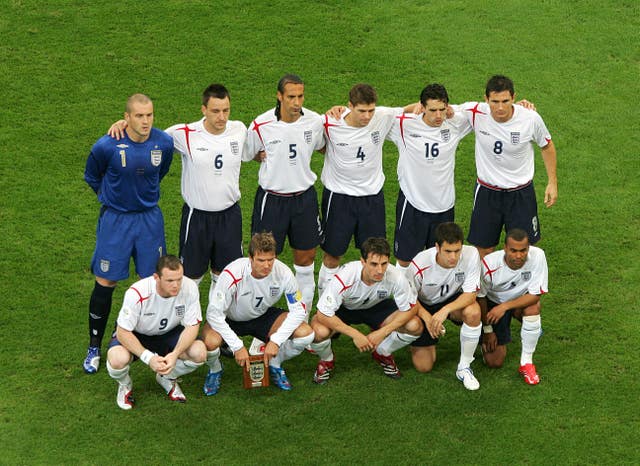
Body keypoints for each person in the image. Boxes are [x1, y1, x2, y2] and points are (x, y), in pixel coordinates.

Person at [108, 84, 247, 287]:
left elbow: (256, 148)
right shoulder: (185, 133)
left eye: (226, 110)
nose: (222, 117)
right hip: (197, 218)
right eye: (216, 111)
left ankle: (219, 318)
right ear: (203, 110)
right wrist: (125, 124)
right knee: (191, 278)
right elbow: (149, 137)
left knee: (227, 277)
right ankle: (188, 318)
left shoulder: (239, 129)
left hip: (230, 216)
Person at [83, 93, 174, 374]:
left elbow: (160, 172)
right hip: (116, 221)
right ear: (127, 117)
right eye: (139, 116)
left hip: (149, 221)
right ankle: (94, 346)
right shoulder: (106, 145)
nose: (145, 121)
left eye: (149, 115)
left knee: (151, 282)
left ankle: (143, 339)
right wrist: (111, 198)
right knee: (106, 280)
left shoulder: (163, 142)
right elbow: (92, 176)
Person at [243, 74, 325, 312]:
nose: (296, 102)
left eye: (300, 96)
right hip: (272, 201)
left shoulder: (314, 121)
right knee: (263, 262)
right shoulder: (261, 124)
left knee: (306, 261)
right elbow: (248, 153)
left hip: (304, 200)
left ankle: (301, 319)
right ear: (279, 97)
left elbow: (321, 146)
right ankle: (260, 323)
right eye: (291, 97)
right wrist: (261, 154)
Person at [318, 84, 406, 295]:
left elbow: (410, 109)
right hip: (339, 198)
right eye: (361, 111)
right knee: (333, 254)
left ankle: (371, 300)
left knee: (376, 255)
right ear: (350, 106)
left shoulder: (382, 116)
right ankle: (325, 303)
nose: (367, 116)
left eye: (370, 110)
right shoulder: (329, 122)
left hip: (372, 199)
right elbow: (313, 143)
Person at [201, 232, 314, 394]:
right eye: (261, 260)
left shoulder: (283, 273)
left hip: (262, 316)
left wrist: (276, 341)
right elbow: (213, 314)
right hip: (230, 319)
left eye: (271, 260)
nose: (267, 265)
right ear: (250, 258)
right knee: (210, 342)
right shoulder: (232, 274)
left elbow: (299, 310)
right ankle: (215, 369)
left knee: (306, 334)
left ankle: (275, 364)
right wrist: (237, 346)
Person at [461, 74, 558, 258]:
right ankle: (484, 286)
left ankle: (522, 286)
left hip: (520, 194)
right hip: (487, 193)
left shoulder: (530, 118)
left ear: (514, 98)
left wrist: (552, 182)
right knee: (484, 248)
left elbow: (547, 146)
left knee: (521, 248)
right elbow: (439, 109)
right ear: (486, 99)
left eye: (505, 101)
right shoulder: (475, 113)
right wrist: (417, 106)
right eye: (494, 101)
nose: (499, 107)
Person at [309, 237, 423, 384]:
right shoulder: (345, 277)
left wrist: (382, 332)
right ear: (362, 262)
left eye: (384, 264)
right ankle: (327, 361)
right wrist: (356, 335)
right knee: (319, 331)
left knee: (414, 326)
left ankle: (382, 352)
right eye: (374, 264)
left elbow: (411, 309)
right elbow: (323, 314)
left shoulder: (396, 276)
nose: (380, 270)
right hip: (345, 309)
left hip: (377, 307)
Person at [387, 84, 473, 271]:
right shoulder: (404, 124)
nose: (438, 116)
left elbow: (483, 110)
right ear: (422, 107)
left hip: (444, 206)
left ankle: (432, 299)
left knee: (442, 258)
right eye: (432, 110)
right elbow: (373, 115)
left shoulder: (455, 123)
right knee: (405, 261)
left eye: (442, 110)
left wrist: (523, 107)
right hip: (413, 205)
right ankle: (404, 300)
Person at [105, 255, 206, 410]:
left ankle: (167, 376)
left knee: (199, 353)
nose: (176, 285)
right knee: (117, 359)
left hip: (169, 333)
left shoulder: (190, 287)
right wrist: (149, 358)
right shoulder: (136, 293)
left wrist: (175, 354)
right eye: (170, 281)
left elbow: (192, 326)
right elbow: (123, 332)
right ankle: (125, 385)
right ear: (156, 278)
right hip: (137, 334)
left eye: (179, 279)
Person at [407, 222, 482, 390]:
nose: (453, 257)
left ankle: (464, 367)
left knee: (473, 312)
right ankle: (416, 339)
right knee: (424, 366)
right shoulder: (419, 264)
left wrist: (445, 310)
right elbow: (410, 299)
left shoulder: (471, 254)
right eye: (448, 251)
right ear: (437, 247)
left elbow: (471, 294)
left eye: (457, 251)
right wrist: (428, 318)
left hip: (452, 301)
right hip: (423, 305)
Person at [478, 228, 548, 385]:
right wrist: (488, 330)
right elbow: (480, 297)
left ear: (528, 248)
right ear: (505, 248)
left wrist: (505, 307)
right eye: (513, 250)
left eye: (523, 250)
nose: (518, 256)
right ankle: (483, 339)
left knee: (533, 308)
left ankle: (526, 363)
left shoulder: (537, 256)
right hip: (492, 305)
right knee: (494, 362)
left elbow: (535, 294)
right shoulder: (489, 265)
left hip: (516, 302)